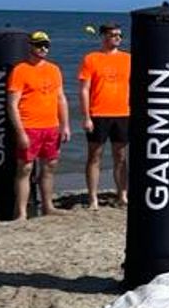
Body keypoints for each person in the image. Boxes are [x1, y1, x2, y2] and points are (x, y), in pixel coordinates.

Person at [7, 31, 70, 219]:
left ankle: (48, 206)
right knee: (25, 168)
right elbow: (12, 104)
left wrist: (65, 125)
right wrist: (20, 133)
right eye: (39, 44)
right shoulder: (20, 70)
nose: (43, 48)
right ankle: (21, 212)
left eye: (46, 45)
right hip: (29, 127)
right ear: (30, 46)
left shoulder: (54, 69)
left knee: (50, 166)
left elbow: (61, 98)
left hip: (51, 127)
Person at [77, 22, 130, 209]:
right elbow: (84, 89)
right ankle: (93, 198)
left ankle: (122, 195)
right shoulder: (91, 58)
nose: (117, 38)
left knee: (121, 156)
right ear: (104, 36)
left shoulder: (128, 59)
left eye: (120, 35)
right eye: (113, 35)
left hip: (122, 113)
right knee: (95, 156)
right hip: (98, 113)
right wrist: (86, 116)